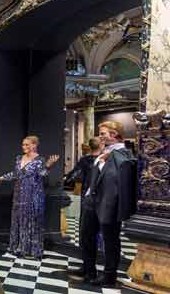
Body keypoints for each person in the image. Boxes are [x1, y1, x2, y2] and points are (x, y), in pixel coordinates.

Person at [71, 121, 137, 287]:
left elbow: (120, 182)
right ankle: (88, 268)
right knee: (86, 236)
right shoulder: (104, 153)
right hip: (91, 202)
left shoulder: (124, 154)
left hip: (109, 204)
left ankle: (109, 276)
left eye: (102, 133)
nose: (100, 136)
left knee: (110, 240)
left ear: (114, 134)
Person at [0, 135, 59, 259]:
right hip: (19, 194)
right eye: (23, 144)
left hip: (33, 194)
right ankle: (18, 247)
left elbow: (42, 174)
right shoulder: (18, 158)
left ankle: (31, 250)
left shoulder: (39, 160)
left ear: (34, 145)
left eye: (27, 144)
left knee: (31, 220)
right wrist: (0, 178)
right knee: (19, 219)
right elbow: (16, 174)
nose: (24, 147)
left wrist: (49, 165)